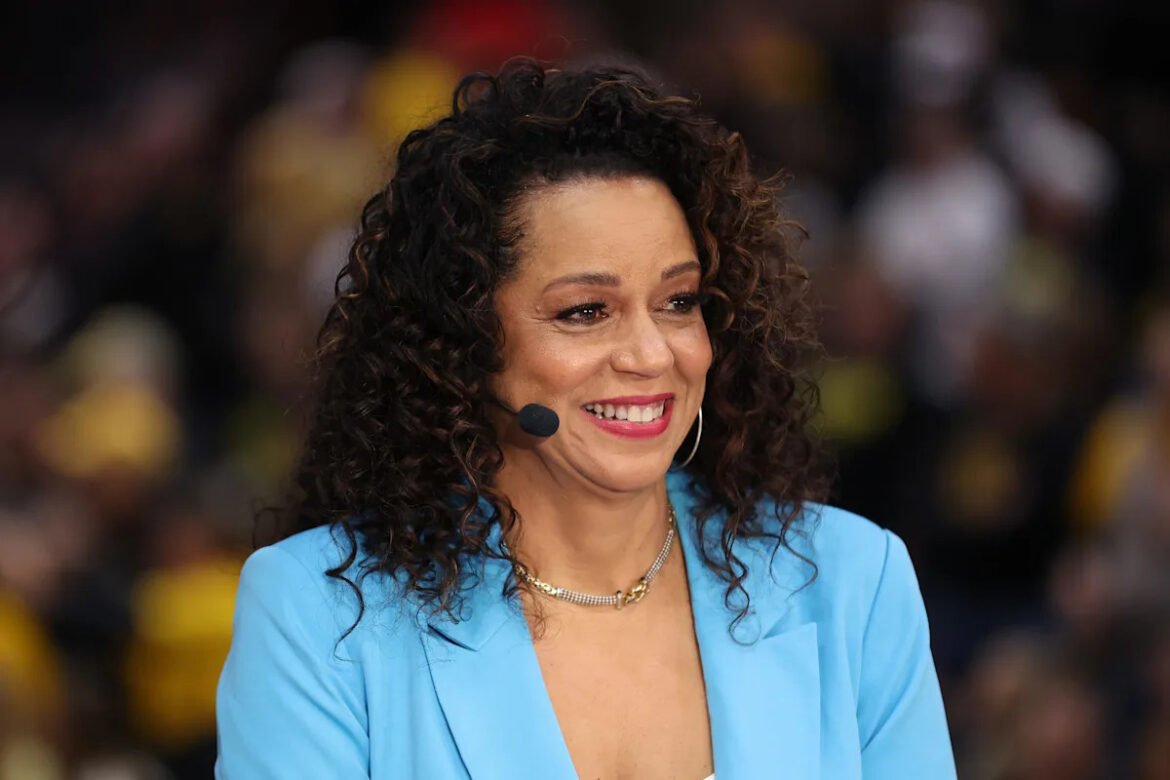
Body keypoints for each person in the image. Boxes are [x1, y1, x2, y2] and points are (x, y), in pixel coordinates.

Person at [214, 57, 957, 779]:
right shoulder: (314, 612)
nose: (651, 354)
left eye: (679, 302)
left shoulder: (854, 583)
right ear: (464, 339)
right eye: (585, 311)